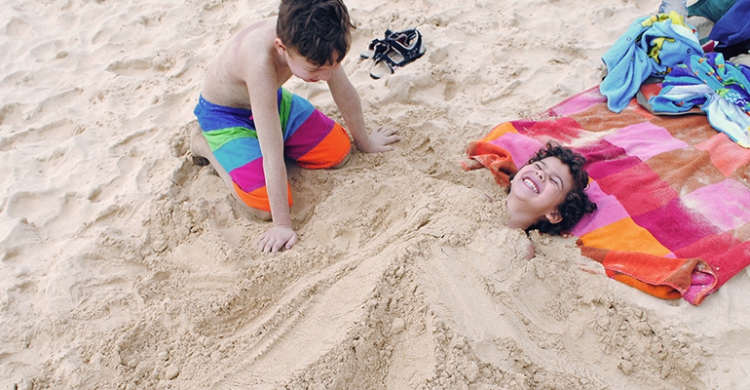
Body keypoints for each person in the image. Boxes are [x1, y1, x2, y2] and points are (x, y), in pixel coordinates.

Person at [191, 0, 400, 253]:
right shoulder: (259, 61)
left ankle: (260, 150)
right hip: (226, 116)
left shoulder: (320, 39)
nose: (325, 76)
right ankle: (203, 144)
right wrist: (282, 225)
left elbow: (343, 91)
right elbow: (272, 152)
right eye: (315, 70)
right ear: (281, 47)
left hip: (271, 101)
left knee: (340, 151)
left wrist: (365, 142)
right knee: (264, 205)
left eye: (333, 65)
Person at [463, 141, 596, 235]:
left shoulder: (523, 249)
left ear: (554, 214)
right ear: (515, 177)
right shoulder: (474, 199)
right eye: (539, 166)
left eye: (554, 181)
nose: (541, 174)